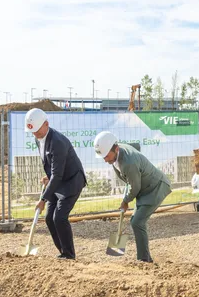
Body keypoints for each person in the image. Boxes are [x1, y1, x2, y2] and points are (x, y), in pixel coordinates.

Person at [94, 131, 171, 263]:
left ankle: (144, 260)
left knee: (137, 222)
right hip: (144, 188)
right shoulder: (117, 152)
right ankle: (145, 258)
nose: (105, 160)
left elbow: (135, 187)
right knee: (135, 221)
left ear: (116, 149)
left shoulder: (129, 163)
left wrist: (125, 201)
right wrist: (126, 197)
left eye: (106, 156)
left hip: (155, 188)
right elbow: (131, 181)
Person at [25, 108, 86, 260]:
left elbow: (58, 174)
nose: (35, 134)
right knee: (49, 218)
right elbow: (52, 167)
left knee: (59, 218)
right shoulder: (38, 139)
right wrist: (48, 177)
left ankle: (69, 254)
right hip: (57, 181)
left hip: (71, 181)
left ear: (46, 124)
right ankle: (62, 252)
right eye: (33, 131)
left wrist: (43, 199)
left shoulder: (57, 142)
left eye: (37, 130)